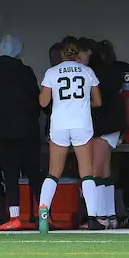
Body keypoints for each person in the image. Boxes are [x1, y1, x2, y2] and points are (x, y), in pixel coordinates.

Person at [36, 36, 102, 232]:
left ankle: (43, 214)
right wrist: (81, 104)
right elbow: (98, 101)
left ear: (62, 53)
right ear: (77, 53)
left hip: (60, 125)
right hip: (82, 124)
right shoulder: (88, 71)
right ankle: (92, 218)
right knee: (87, 173)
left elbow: (42, 102)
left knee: (53, 172)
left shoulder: (52, 72)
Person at [0, 35, 42, 231]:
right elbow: (37, 100)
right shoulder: (26, 72)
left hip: (2, 130)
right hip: (27, 130)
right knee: (35, 173)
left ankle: (14, 217)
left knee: (9, 175)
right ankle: (45, 215)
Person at [91, 39, 129, 229]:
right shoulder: (114, 71)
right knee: (106, 170)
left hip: (105, 126)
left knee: (95, 170)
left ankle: (99, 216)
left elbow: (98, 103)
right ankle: (110, 216)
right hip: (114, 125)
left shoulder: (97, 73)